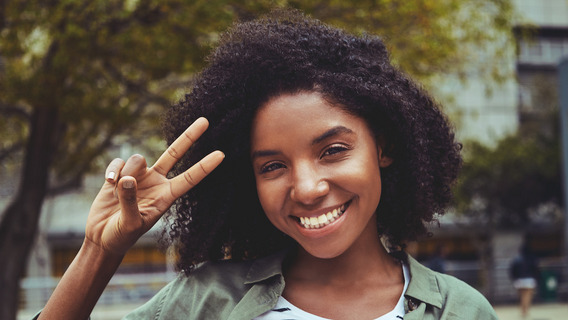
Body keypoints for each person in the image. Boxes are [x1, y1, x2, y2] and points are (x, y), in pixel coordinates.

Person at [36, 9, 498, 320]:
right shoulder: (205, 302)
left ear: (385, 147)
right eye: (272, 166)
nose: (307, 188)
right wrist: (99, 251)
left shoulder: (461, 310)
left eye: (333, 151)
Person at [510, 242, 540, 318]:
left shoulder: (517, 259)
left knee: (521, 296)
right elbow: (536, 269)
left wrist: (514, 278)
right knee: (527, 296)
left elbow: (512, 270)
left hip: (519, 280)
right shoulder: (532, 258)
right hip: (529, 280)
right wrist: (536, 278)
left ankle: (523, 310)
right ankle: (525, 310)